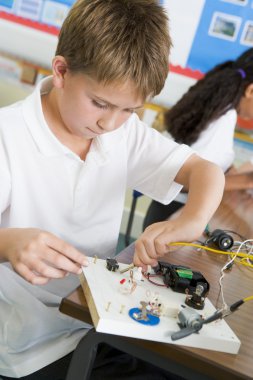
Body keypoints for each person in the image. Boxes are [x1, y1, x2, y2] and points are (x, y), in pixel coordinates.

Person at [0, 1, 224, 379]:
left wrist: (190, 220)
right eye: (99, 103)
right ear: (61, 71)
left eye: (129, 110)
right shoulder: (9, 135)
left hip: (101, 321)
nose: (109, 122)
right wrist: (6, 243)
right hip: (28, 345)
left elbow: (205, 171)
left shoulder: (123, 133)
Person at [143, 48, 253, 230]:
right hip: (173, 216)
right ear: (250, 90)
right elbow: (188, 182)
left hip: (165, 211)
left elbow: (207, 156)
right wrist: (247, 181)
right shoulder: (224, 116)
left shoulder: (217, 106)